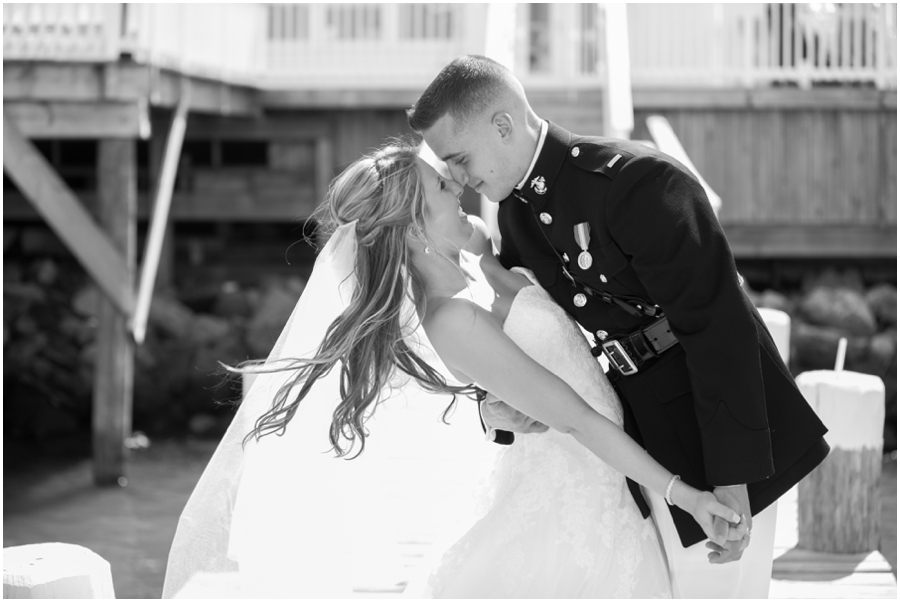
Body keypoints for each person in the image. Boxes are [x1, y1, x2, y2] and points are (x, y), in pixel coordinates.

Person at [163, 140, 746, 598]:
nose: (459, 184)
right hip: (573, 510)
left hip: (598, 490)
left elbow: (535, 369)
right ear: (415, 227)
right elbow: (577, 421)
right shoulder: (452, 320)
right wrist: (687, 497)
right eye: (443, 186)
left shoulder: (474, 273)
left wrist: (488, 258)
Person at [407, 54, 831, 598]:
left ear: (503, 125)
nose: (460, 180)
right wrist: (500, 413)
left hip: (726, 423)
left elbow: (717, 328)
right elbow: (526, 337)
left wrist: (734, 475)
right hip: (633, 434)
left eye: (460, 159)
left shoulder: (637, 182)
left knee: (727, 595)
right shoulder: (514, 215)